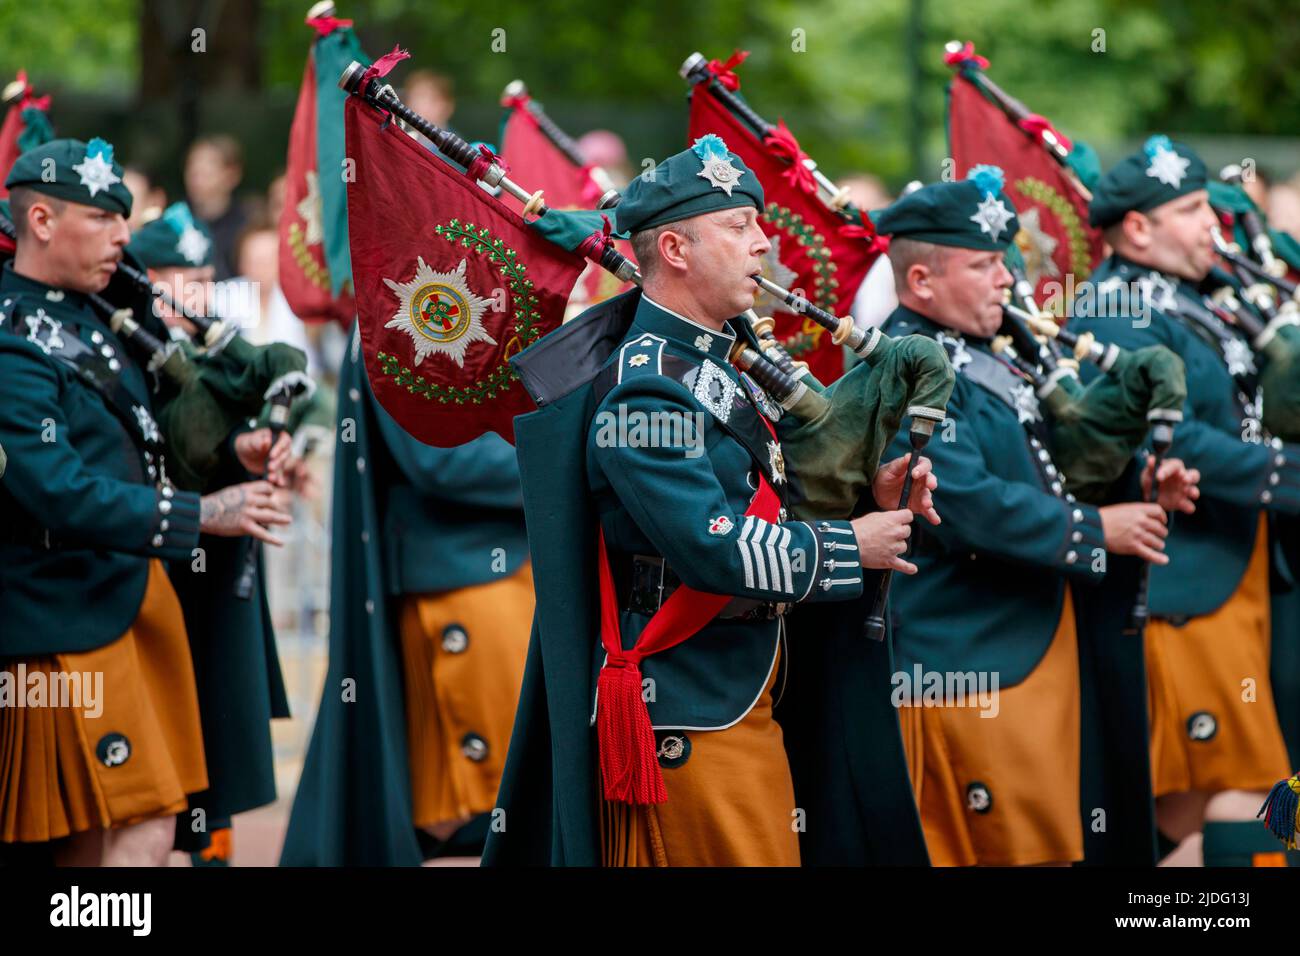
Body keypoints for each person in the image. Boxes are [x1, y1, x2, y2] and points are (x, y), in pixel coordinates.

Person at [485, 135, 934, 867]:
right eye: (739, 226)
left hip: (740, 681)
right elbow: (712, 545)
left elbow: (771, 500)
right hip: (689, 702)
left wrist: (868, 492)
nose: (763, 243)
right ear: (675, 248)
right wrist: (855, 545)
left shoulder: (715, 360)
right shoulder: (645, 385)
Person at [876, 165, 1195, 866]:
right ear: (921, 282)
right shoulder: (904, 366)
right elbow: (961, 503)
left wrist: (1134, 485)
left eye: (1003, 261)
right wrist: (1096, 530)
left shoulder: (988, 352)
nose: (1006, 278)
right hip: (965, 658)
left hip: (1027, 638)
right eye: (984, 264)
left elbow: (1039, 465)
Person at [0, 138, 289, 865]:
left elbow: (142, 437)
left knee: (103, 835)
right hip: (62, 616)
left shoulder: (94, 314)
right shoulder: (11, 336)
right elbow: (55, 489)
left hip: (124, 601)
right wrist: (202, 516)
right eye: (101, 218)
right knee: (137, 827)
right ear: (40, 220)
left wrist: (231, 457)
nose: (124, 236)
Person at [1071, 137, 1300, 867]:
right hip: (1182, 583)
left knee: (1206, 814)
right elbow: (1171, 443)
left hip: (1236, 567)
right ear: (1137, 228)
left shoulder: (1196, 294)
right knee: (1247, 805)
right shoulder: (1114, 306)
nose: (1215, 224)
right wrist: (1288, 471)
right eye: (1194, 209)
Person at [279, 321, 535, 865]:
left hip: (495, 571)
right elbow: (440, 458)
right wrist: (565, 459)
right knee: (486, 803)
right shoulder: (412, 302)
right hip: (466, 580)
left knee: (466, 806)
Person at [125, 201, 299, 866]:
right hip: (158, 568)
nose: (195, 293)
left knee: (216, 728)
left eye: (202, 276)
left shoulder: (213, 347)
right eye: (178, 277)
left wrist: (267, 447)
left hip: (220, 568)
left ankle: (214, 848)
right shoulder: (130, 352)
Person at [184, 134, 248, 281]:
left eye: (206, 173)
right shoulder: (173, 223)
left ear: (232, 176)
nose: (196, 181)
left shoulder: (246, 227)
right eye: (193, 173)